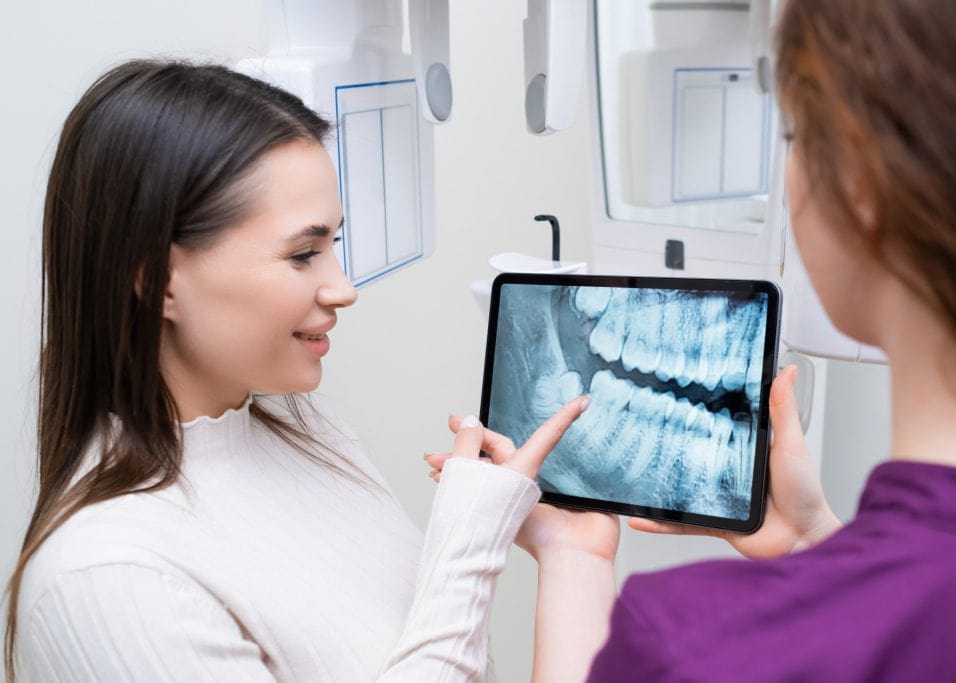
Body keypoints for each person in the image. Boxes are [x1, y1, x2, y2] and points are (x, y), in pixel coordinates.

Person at [4, 60, 590, 682]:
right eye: (303, 254)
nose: (342, 289)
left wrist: (573, 555)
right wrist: (466, 545)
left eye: (334, 245)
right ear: (154, 280)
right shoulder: (108, 579)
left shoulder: (311, 437)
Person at [508, 0, 956, 680]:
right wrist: (820, 545)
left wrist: (574, 556)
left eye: (793, 138)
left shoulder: (695, 645)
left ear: (861, 184)